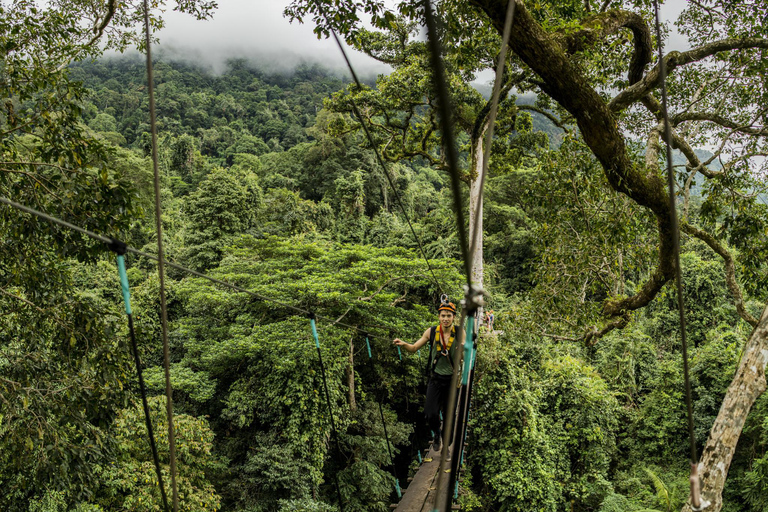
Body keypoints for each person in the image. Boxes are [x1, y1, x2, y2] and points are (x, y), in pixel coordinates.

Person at [393, 301, 460, 452]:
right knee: (430, 413)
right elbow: (414, 348)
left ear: (453, 317)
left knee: (450, 416)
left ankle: (446, 444)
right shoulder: (431, 332)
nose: (445, 319)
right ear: (439, 317)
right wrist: (403, 344)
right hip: (435, 379)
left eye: (449, 316)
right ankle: (437, 433)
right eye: (443, 316)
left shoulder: (459, 332)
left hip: (452, 380)